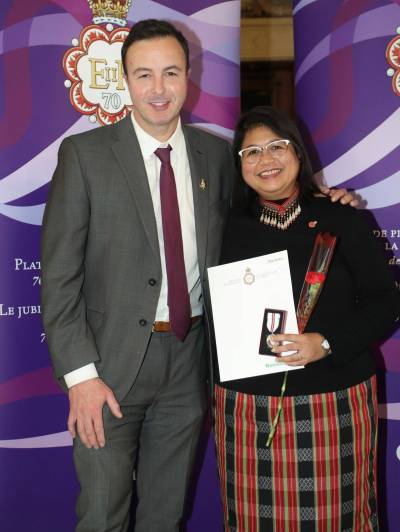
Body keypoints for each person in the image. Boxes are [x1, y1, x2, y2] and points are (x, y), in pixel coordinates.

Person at [41, 18, 356, 532]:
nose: (159, 89)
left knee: (165, 516)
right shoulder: (85, 157)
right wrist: (81, 378)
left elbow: (271, 203)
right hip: (107, 369)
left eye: (170, 72)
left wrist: (327, 198)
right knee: (102, 514)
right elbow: (58, 278)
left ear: (190, 76)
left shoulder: (217, 155)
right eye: (144, 75)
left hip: (190, 365)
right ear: (125, 80)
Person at [213, 106, 399, 532]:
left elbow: (385, 302)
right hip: (248, 409)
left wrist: (327, 343)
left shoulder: (343, 217)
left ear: (297, 152)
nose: (267, 160)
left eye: (277, 146)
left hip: (333, 402)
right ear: (238, 164)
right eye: (252, 152)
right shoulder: (224, 228)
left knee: (340, 520)